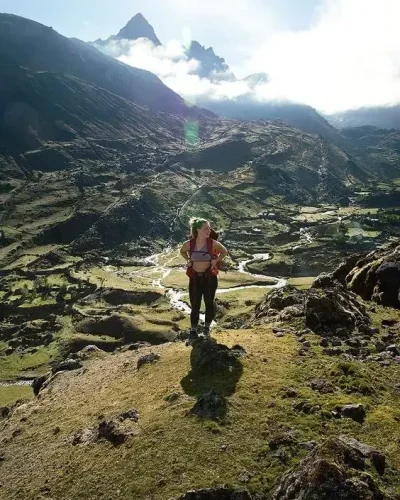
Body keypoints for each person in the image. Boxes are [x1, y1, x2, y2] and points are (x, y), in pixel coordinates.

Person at [179, 217, 228, 341]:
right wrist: (188, 260)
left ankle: (206, 329)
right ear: (198, 229)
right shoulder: (189, 244)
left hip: (210, 278)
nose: (209, 230)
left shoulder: (212, 243)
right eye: (206, 228)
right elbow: (182, 251)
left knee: (209, 303)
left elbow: (224, 251)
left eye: (209, 228)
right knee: (195, 305)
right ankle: (193, 330)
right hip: (195, 279)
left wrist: (216, 261)